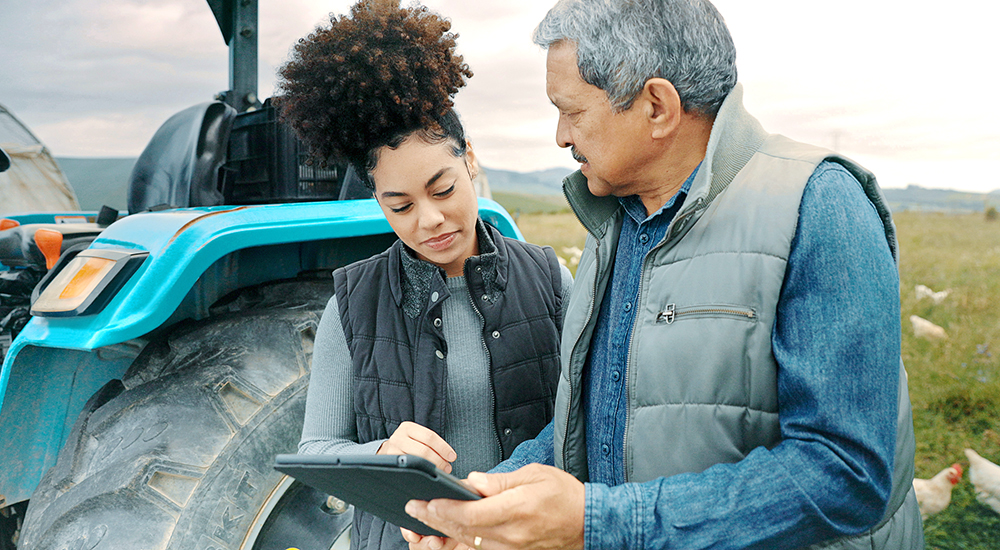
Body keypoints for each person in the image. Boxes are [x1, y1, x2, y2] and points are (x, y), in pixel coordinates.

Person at [402, 0, 922, 549]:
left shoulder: (819, 203)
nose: (560, 136)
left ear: (656, 106)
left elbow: (847, 474)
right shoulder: (620, 222)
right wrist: (483, 504)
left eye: (572, 111)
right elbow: (603, 416)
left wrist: (600, 521)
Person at [273, 2, 574, 549]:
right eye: (400, 205)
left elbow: (593, 416)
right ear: (378, 204)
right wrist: (380, 455)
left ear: (471, 164)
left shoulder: (549, 280)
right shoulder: (351, 306)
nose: (429, 220)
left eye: (442, 190)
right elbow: (316, 449)